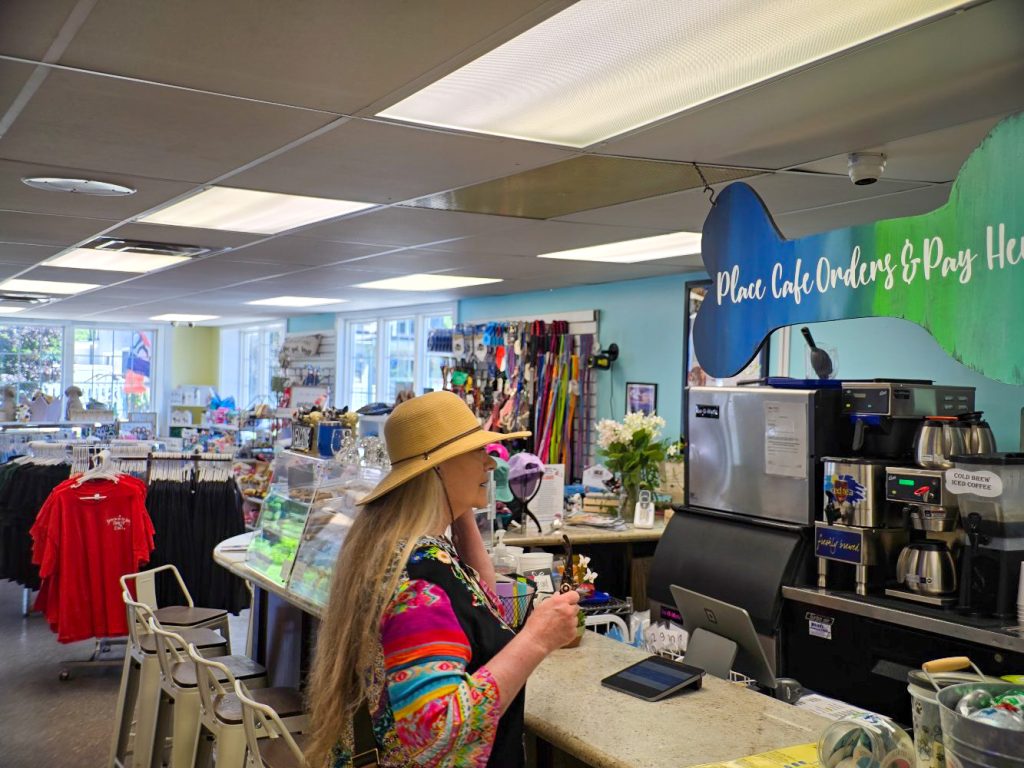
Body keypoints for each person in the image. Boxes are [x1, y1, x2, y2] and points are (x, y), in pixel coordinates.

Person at [306, 391, 582, 768]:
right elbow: (434, 731)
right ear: (439, 467)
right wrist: (537, 639)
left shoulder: (412, 548)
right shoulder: (419, 585)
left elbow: (485, 608)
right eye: (476, 453)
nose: (489, 463)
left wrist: (458, 507)